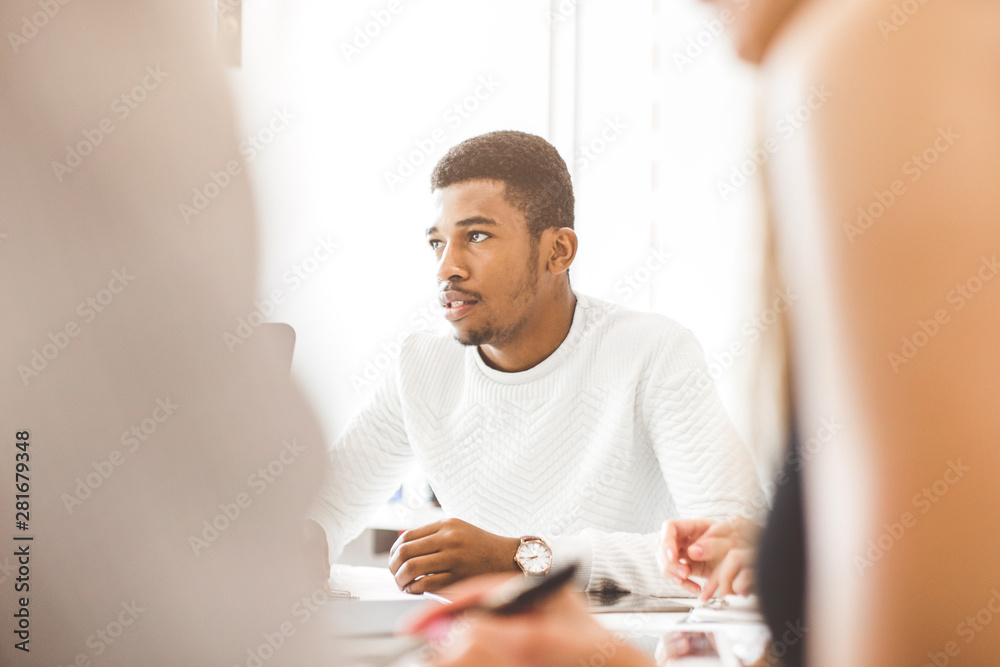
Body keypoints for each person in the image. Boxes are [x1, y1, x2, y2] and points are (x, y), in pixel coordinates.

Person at [307, 130, 763, 596]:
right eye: (436, 243)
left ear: (558, 251)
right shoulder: (420, 366)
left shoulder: (654, 352)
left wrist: (519, 557)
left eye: (477, 236)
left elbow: (732, 551)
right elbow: (324, 508)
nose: (447, 267)